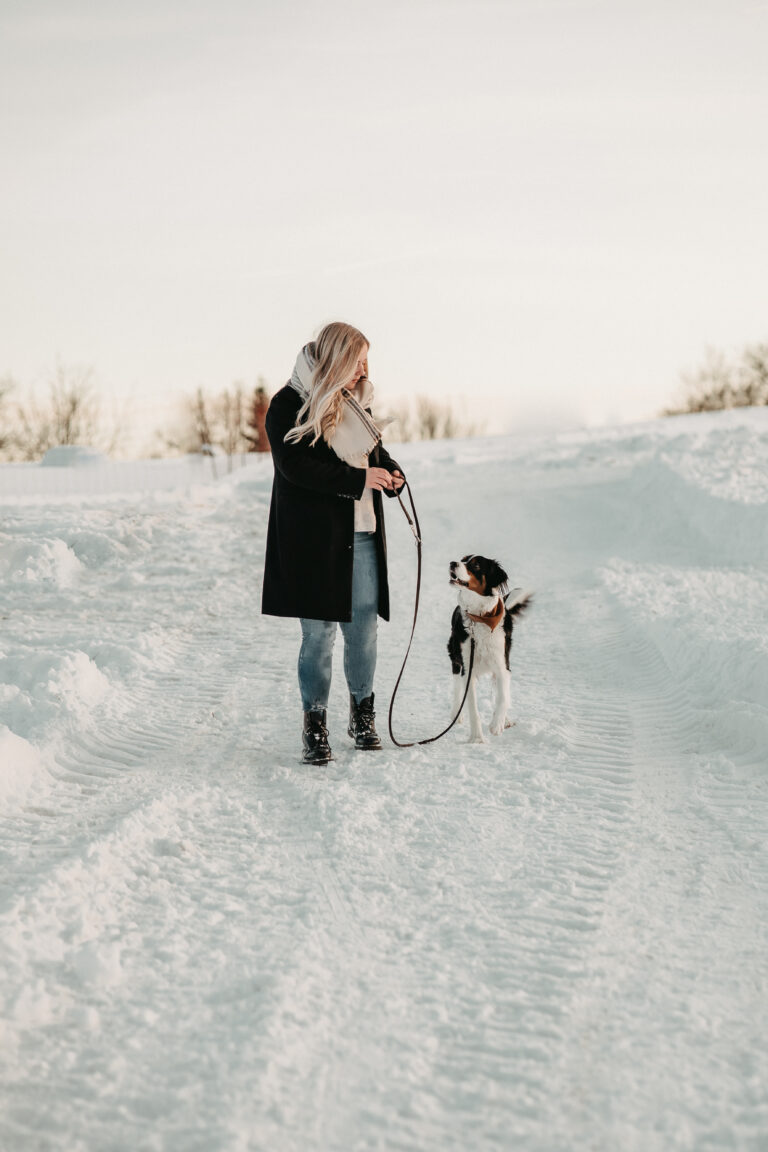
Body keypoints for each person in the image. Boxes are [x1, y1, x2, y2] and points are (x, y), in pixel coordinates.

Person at [261, 322, 405, 765]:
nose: (364, 369)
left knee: (362, 631)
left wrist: (391, 474)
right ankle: (315, 724)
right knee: (319, 635)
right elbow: (295, 468)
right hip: (313, 540)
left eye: (366, 361)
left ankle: (362, 715)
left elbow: (372, 455)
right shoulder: (288, 404)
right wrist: (361, 480)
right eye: (357, 360)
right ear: (336, 358)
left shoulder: (354, 401)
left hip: (360, 532)